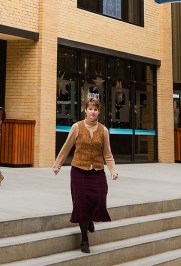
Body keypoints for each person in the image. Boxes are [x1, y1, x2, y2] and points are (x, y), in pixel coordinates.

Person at [53, 97, 119, 254]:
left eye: (95, 109)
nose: (93, 112)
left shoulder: (103, 130)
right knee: (82, 205)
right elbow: (66, 147)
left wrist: (113, 170)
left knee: (100, 198)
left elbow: (107, 154)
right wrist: (58, 164)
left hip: (97, 171)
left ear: (99, 111)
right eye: (90, 109)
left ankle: (90, 219)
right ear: (85, 110)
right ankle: (84, 239)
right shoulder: (77, 127)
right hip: (79, 171)